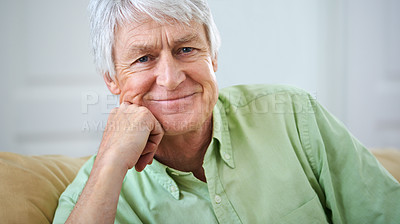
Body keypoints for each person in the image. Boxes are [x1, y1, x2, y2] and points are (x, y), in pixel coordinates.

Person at [53, 0, 400, 223]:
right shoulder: (97, 190)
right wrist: (111, 164)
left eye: (186, 49)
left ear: (213, 57)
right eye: (144, 58)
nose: (171, 79)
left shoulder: (294, 115)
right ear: (112, 79)